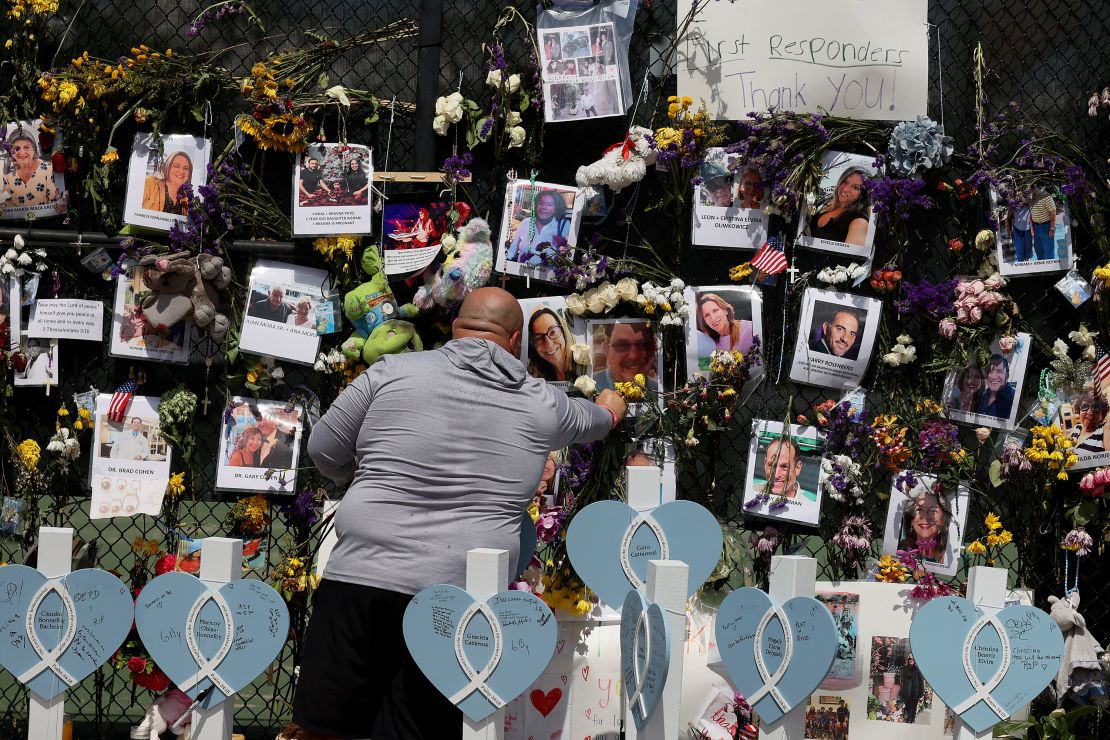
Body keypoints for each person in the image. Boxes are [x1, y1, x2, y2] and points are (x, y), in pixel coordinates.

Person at [284, 287, 627, 740]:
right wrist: (611, 409)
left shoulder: (390, 371)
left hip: (360, 577)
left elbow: (323, 448)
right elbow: (594, 422)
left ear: (455, 327)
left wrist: (366, 478)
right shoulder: (541, 402)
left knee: (325, 729)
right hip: (457, 599)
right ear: (514, 339)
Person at [804, 166, 871, 246]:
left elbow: (848, 258)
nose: (845, 189)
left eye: (855, 187)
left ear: (863, 194)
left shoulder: (859, 223)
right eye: (845, 182)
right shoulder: (826, 206)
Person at [2, 131, 62, 212]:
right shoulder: (7, 172)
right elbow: (6, 202)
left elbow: (54, 199)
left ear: (34, 149)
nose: (22, 152)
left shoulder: (47, 168)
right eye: (16, 148)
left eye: (27, 147)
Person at [505, 190, 570, 265]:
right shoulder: (526, 222)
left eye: (550, 204)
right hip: (520, 273)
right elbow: (512, 251)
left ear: (557, 208)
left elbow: (568, 255)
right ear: (536, 205)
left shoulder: (563, 225)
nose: (544, 207)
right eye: (541, 203)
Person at [592, 322, 658, 392]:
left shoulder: (661, 392)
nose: (633, 356)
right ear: (606, 349)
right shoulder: (589, 390)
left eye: (643, 345)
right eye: (622, 345)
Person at [898, 485, 950, 563]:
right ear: (911, 519)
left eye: (933, 510)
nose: (925, 517)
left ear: (943, 519)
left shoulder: (948, 557)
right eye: (919, 509)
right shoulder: (899, 550)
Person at [758, 436, 816, 501]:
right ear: (765, 464)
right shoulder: (751, 490)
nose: (776, 475)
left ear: (797, 468)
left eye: (784, 467)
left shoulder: (811, 502)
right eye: (771, 465)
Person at [527, 307, 573, 382]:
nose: (548, 343)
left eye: (553, 332)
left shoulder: (582, 364)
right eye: (539, 338)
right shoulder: (535, 376)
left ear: (564, 332)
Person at [141, 151, 192, 215]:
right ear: (167, 167)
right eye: (176, 166)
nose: (181, 171)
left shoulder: (187, 199)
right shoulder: (149, 183)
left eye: (185, 168)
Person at [1068, 386, 1110, 454]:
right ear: (1079, 410)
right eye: (1085, 406)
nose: (1090, 412)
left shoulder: (1105, 428)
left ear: (1101, 412)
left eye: (1095, 407)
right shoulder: (1076, 428)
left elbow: (1108, 460)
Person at [977, 354, 1015, 419]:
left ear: (1007, 375)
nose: (993, 376)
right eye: (988, 371)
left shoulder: (1014, 398)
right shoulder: (983, 395)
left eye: (999, 371)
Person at [1029, 186, 1057, 260]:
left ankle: (1051, 271)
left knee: (1048, 253)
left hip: (1046, 226)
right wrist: (1032, 228)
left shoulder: (1045, 196)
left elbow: (1053, 212)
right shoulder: (1031, 198)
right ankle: (1042, 271)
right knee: (1039, 251)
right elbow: (1031, 214)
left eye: (1029, 187)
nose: (1028, 189)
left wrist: (1052, 227)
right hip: (1036, 227)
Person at [1007, 194, 1033, 262]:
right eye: (1019, 202)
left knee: (1028, 249)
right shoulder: (1014, 206)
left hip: (1028, 230)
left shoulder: (1029, 205)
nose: (1021, 204)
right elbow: (1008, 218)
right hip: (1017, 230)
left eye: (1022, 202)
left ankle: (1027, 262)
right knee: (1019, 250)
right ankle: (1021, 263)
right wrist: (1009, 233)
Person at [899, 654, 925, 724]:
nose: (911, 660)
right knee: (908, 705)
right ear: (908, 660)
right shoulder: (905, 668)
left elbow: (921, 681)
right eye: (910, 659)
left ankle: (912, 719)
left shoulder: (918, 669)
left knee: (914, 706)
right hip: (907, 691)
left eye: (913, 659)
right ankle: (909, 718)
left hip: (915, 691)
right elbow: (902, 680)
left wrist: (921, 692)